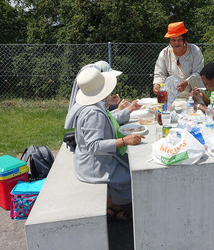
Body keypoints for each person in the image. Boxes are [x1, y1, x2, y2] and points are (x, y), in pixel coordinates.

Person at [64, 67, 144, 221]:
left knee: (128, 167)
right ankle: (113, 204)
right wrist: (123, 141)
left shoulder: (95, 106)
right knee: (131, 177)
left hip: (96, 160)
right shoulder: (93, 112)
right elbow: (93, 146)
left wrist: (129, 109)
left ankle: (114, 204)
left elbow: (109, 120)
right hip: (94, 165)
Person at [153, 21, 204, 98]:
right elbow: (160, 74)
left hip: (194, 94)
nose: (176, 43)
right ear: (169, 40)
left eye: (179, 39)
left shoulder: (194, 51)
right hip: (173, 96)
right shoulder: (165, 53)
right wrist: (157, 84)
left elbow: (199, 72)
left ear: (184, 39)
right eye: (173, 40)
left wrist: (187, 82)